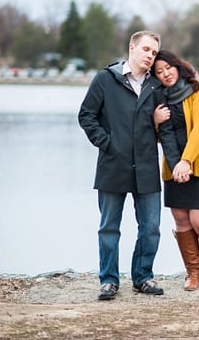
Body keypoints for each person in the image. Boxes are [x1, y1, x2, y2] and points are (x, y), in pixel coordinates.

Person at [78, 31, 180, 300]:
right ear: (132, 48)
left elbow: (166, 129)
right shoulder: (105, 79)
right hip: (113, 165)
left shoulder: (156, 86)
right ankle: (109, 281)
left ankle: (143, 277)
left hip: (146, 167)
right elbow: (86, 116)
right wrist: (108, 144)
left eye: (154, 52)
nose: (150, 55)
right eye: (146, 49)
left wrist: (177, 162)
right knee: (109, 227)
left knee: (151, 227)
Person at [152, 49, 199, 291]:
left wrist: (186, 161)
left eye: (168, 68)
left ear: (178, 65)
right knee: (181, 220)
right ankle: (193, 272)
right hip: (174, 167)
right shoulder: (159, 97)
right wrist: (155, 120)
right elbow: (158, 137)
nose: (165, 74)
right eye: (159, 72)